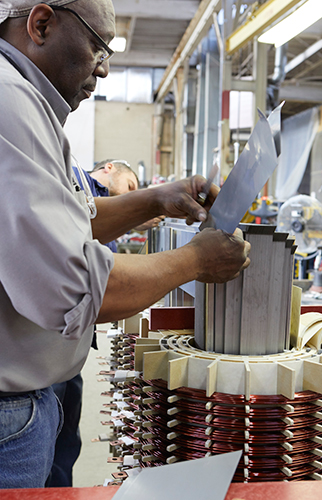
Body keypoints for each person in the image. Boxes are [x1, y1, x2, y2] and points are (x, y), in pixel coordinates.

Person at [0, 0, 251, 489]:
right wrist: (196, 259)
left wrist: (155, 198)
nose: (105, 70)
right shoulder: (8, 105)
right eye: (98, 47)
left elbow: (71, 223)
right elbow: (81, 288)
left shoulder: (27, 103)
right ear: (42, 23)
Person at [46, 160, 139, 488]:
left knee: (66, 438)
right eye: (131, 187)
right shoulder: (74, 181)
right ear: (110, 168)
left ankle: (60, 493)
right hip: (50, 344)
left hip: (73, 346)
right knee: (47, 438)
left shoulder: (97, 201)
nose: (132, 196)